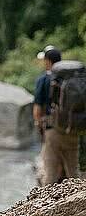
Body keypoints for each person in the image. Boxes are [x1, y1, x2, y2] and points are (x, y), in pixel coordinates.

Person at [33, 45, 80, 185]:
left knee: (50, 173)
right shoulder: (71, 79)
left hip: (53, 129)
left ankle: (47, 205)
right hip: (73, 129)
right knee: (74, 171)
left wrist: (40, 127)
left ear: (48, 61)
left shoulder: (44, 80)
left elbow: (37, 109)